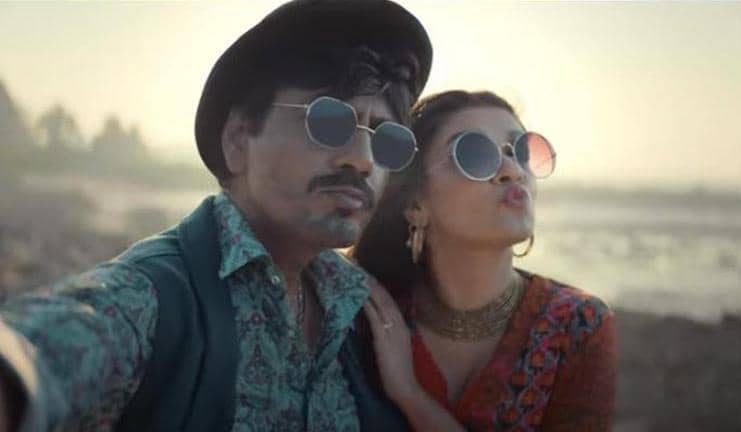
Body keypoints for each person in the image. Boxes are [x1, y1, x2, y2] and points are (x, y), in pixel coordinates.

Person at [0, 1, 432, 430]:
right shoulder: (152, 298)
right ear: (238, 139)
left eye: (387, 140)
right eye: (329, 122)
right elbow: (50, 348)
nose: (363, 159)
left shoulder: (364, 313)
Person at [354, 90, 618, 431]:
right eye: (475, 154)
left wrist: (409, 395)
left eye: (521, 151)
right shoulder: (370, 317)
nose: (513, 170)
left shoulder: (578, 325)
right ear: (416, 204)